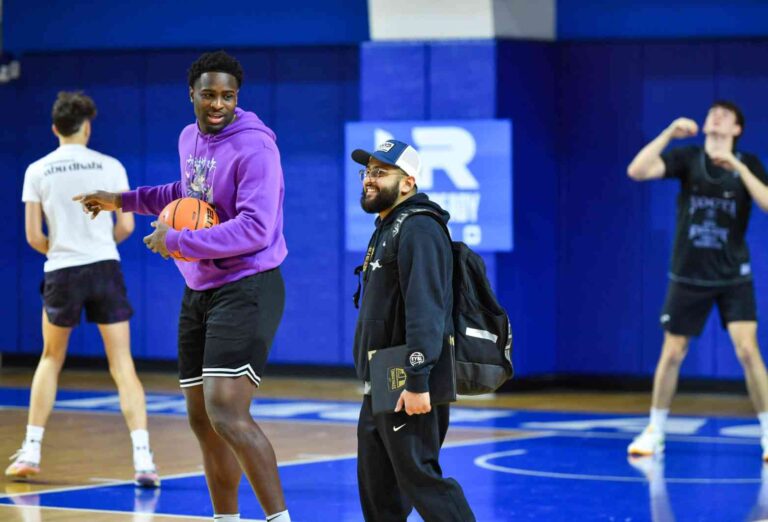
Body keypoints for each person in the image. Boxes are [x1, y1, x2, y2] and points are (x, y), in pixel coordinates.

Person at [74, 51, 290, 522]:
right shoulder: (189, 137)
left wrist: (176, 239)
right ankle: (225, 519)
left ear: (238, 97)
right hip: (200, 287)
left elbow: (256, 228)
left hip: (248, 284)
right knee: (202, 419)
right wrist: (122, 200)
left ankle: (280, 519)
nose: (218, 104)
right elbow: (187, 192)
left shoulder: (256, 149)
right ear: (191, 94)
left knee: (227, 411)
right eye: (209, 94)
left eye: (227, 96)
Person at [10, 91, 159, 487]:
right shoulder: (111, 166)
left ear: (55, 128)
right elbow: (126, 226)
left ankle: (32, 450)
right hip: (105, 267)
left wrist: (63, 249)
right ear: (87, 127)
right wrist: (100, 246)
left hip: (62, 270)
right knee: (121, 363)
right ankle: (144, 459)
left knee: (50, 358)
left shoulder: (37, 170)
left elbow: (32, 236)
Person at [626, 101, 768, 459]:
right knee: (672, 352)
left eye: (725, 115)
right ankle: (655, 430)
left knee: (748, 350)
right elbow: (637, 170)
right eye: (712, 114)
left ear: (737, 129)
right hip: (688, 274)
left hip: (733, 275)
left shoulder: (747, 164)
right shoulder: (688, 158)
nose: (716, 117)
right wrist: (667, 135)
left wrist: (737, 167)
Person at [351, 139, 476, 521]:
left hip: (406, 376)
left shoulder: (419, 226)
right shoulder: (388, 226)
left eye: (380, 172)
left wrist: (417, 379)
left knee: (422, 479)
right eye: (367, 172)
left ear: (407, 182)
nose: (369, 180)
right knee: (379, 491)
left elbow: (427, 308)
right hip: (381, 378)